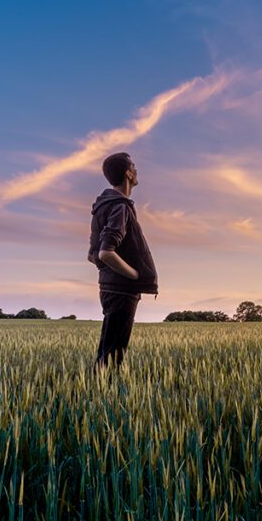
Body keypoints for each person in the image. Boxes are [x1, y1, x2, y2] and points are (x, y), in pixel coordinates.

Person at [88, 152, 158, 370]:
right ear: (128, 174)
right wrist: (135, 275)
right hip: (121, 290)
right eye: (134, 167)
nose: (137, 171)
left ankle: (97, 394)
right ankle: (102, 398)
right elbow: (104, 253)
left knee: (108, 351)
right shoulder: (120, 206)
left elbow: (92, 254)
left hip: (109, 287)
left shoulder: (103, 206)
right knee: (113, 356)